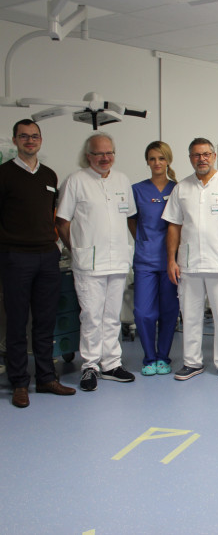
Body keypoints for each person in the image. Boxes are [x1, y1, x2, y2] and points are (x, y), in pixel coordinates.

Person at [0, 119, 75, 407]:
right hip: (15, 257)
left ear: (41, 140)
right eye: (24, 136)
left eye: (34, 136)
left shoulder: (49, 175)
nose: (30, 141)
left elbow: (50, 215)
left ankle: (46, 378)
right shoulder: (4, 175)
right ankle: (20, 382)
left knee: (45, 322)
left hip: (47, 256)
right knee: (18, 322)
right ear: (15, 140)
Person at [56, 132, 137, 392]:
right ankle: (90, 365)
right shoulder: (75, 181)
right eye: (99, 153)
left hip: (117, 260)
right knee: (91, 315)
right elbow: (62, 221)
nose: (105, 158)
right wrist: (74, 249)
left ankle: (112, 363)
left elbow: (130, 217)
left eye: (109, 152)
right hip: (88, 262)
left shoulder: (122, 180)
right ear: (88, 156)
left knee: (112, 315)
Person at [162, 138, 218, 383]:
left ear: (214, 155)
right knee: (190, 315)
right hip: (189, 264)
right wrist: (171, 260)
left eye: (206, 154)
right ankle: (192, 362)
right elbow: (174, 226)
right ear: (190, 158)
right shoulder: (182, 188)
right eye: (196, 155)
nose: (202, 159)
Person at [128, 141, 179, 376]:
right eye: (152, 158)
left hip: (172, 261)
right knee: (143, 312)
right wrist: (145, 241)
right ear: (147, 161)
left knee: (169, 311)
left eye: (161, 158)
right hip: (146, 260)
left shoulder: (177, 188)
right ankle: (148, 357)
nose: (156, 163)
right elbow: (132, 221)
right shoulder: (137, 189)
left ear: (168, 160)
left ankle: (163, 357)